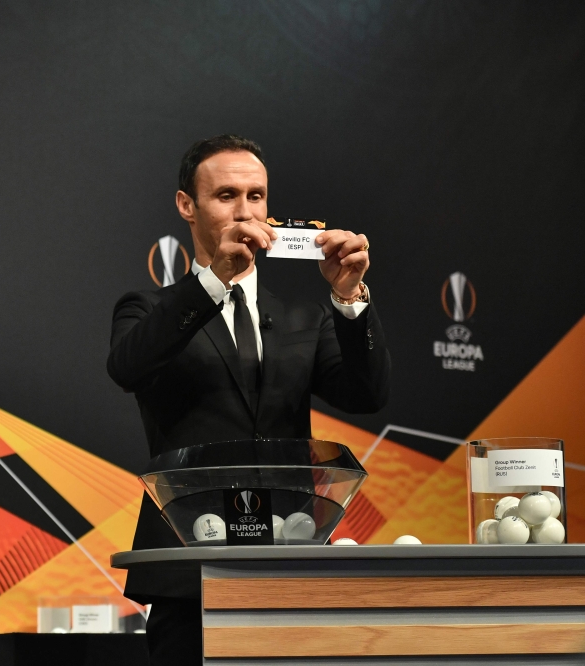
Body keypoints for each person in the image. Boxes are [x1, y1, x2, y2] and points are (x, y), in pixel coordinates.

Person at [106, 135, 391, 664]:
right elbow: (128, 367)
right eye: (226, 196)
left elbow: (367, 394)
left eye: (256, 196)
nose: (245, 211)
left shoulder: (306, 316)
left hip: (292, 555)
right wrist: (215, 280)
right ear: (186, 206)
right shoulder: (150, 307)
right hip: (188, 568)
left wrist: (349, 298)